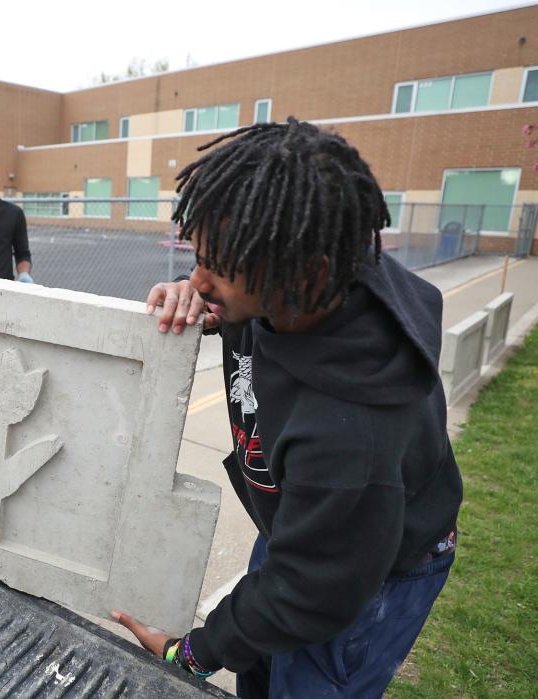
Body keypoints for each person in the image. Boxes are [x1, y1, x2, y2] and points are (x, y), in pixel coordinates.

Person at [112, 118, 462, 698]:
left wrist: (192, 652)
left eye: (217, 267)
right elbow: (297, 573)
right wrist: (190, 287)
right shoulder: (301, 273)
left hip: (372, 572)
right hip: (306, 528)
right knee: (261, 668)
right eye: (196, 257)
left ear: (306, 276)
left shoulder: (352, 432)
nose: (198, 280)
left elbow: (309, 589)